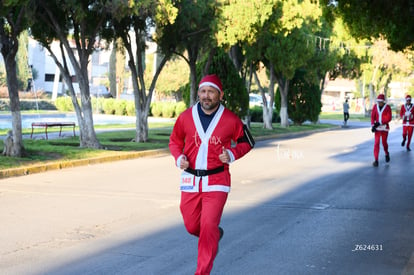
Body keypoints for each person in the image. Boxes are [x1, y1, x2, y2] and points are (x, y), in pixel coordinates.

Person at [169, 74, 253, 275]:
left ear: (220, 95)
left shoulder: (231, 119)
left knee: (207, 226)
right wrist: (178, 157)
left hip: (217, 181)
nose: (206, 96)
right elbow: (174, 141)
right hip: (190, 179)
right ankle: (214, 234)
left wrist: (232, 154)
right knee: (192, 225)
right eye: (203, 91)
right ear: (198, 93)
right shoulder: (186, 117)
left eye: (211, 92)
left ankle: (202, 271)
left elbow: (247, 142)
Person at [371, 94, 392, 167]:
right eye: (378, 101)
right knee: (376, 143)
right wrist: (373, 125)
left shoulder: (387, 107)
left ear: (383, 101)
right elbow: (372, 116)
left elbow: (389, 117)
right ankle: (376, 160)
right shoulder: (375, 107)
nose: (379, 103)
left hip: (384, 128)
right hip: (377, 128)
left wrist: (380, 122)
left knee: (384, 143)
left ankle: (386, 153)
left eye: (380, 101)